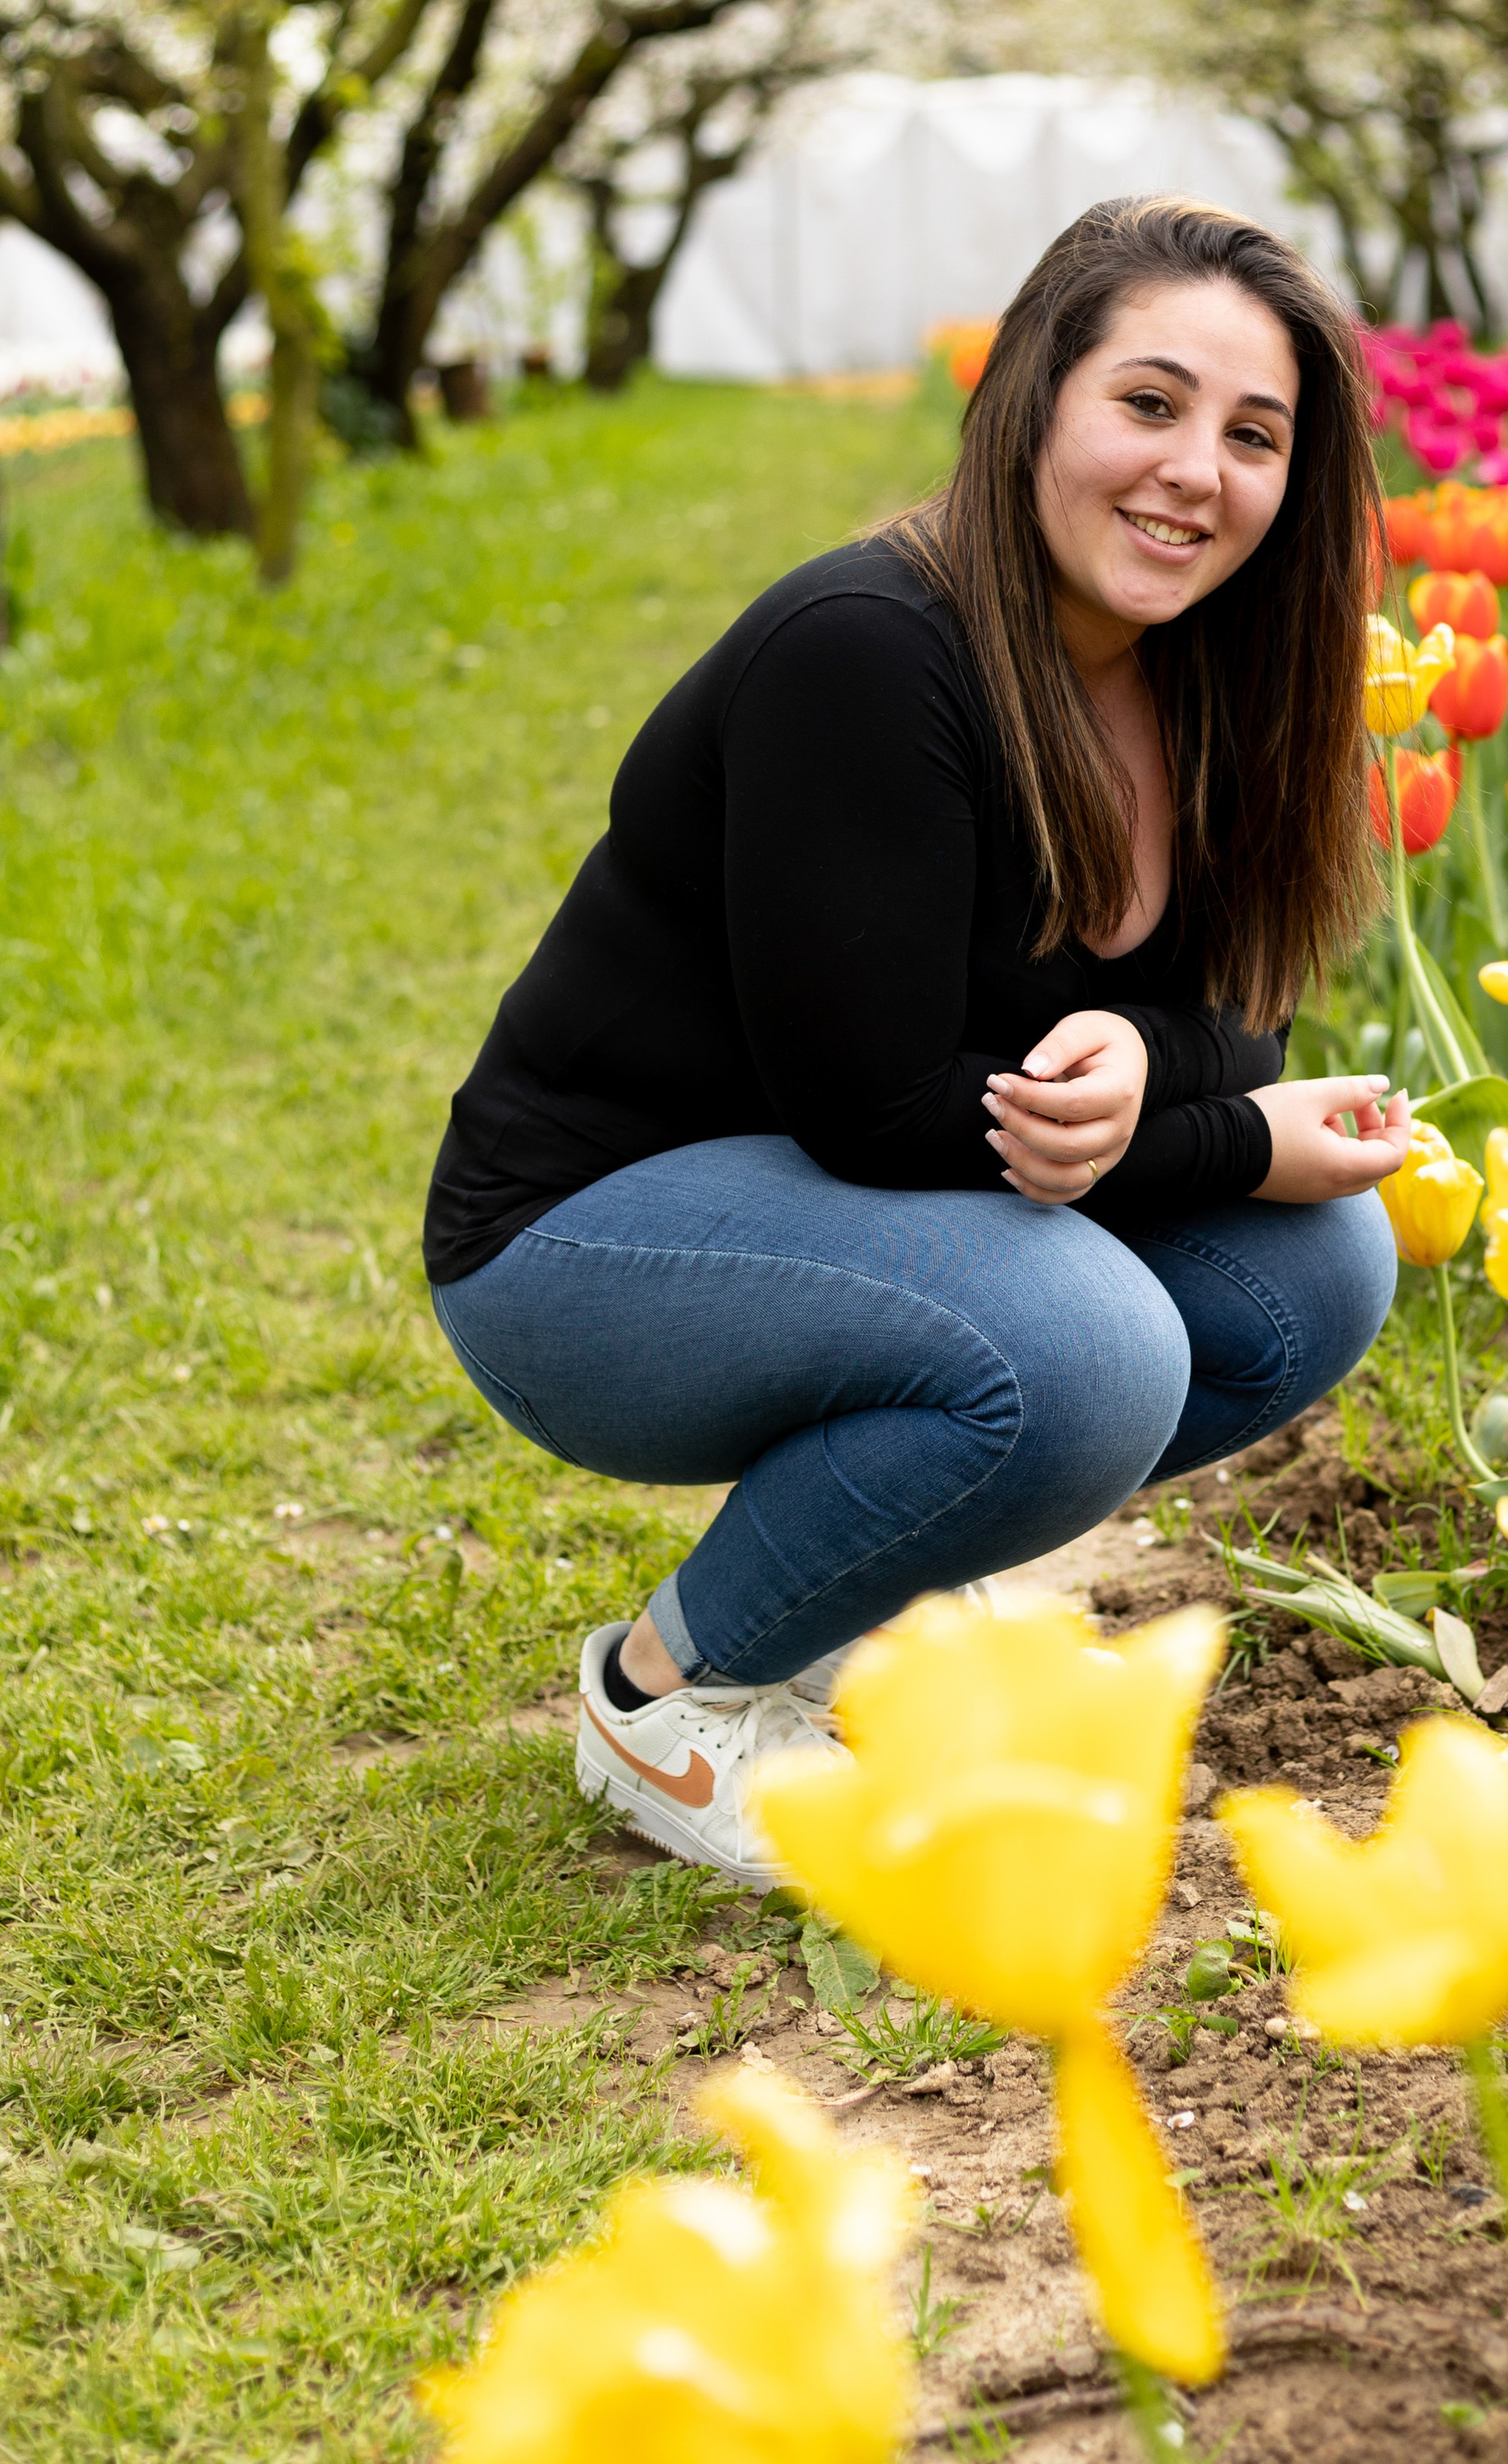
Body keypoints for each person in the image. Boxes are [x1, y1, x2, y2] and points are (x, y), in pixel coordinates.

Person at [423, 193, 1411, 1887]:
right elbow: (881, 1110)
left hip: (838, 1221)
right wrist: (1226, 1136)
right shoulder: (868, 654)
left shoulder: (1202, 678)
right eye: (1149, 403)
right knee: (1088, 1344)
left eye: (1253, 436)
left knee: (1314, 1266)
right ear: (1034, 396)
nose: (1197, 470)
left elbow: (1235, 1024)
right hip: (587, 1243)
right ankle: (663, 1700)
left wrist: (1153, 1061)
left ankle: (852, 1617)